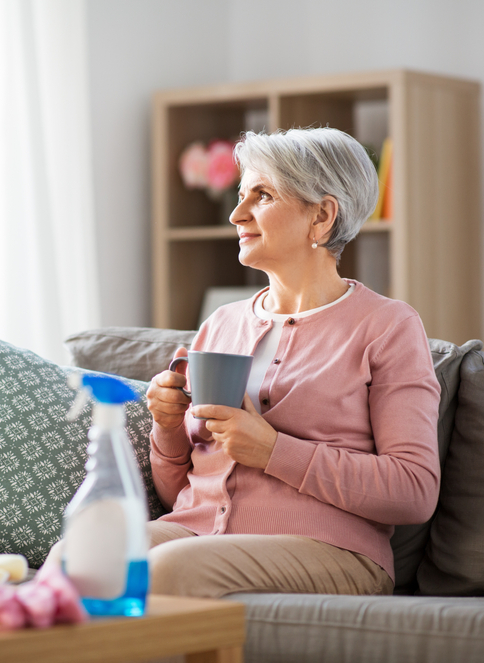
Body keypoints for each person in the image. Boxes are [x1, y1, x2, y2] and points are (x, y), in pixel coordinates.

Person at [142, 127, 441, 598]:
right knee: (81, 556)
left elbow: (414, 490)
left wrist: (273, 450)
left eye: (262, 195)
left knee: (167, 570)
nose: (236, 214)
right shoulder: (220, 324)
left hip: (333, 549)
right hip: (195, 530)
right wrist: (168, 426)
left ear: (321, 216)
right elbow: (177, 488)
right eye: (241, 195)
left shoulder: (387, 326)